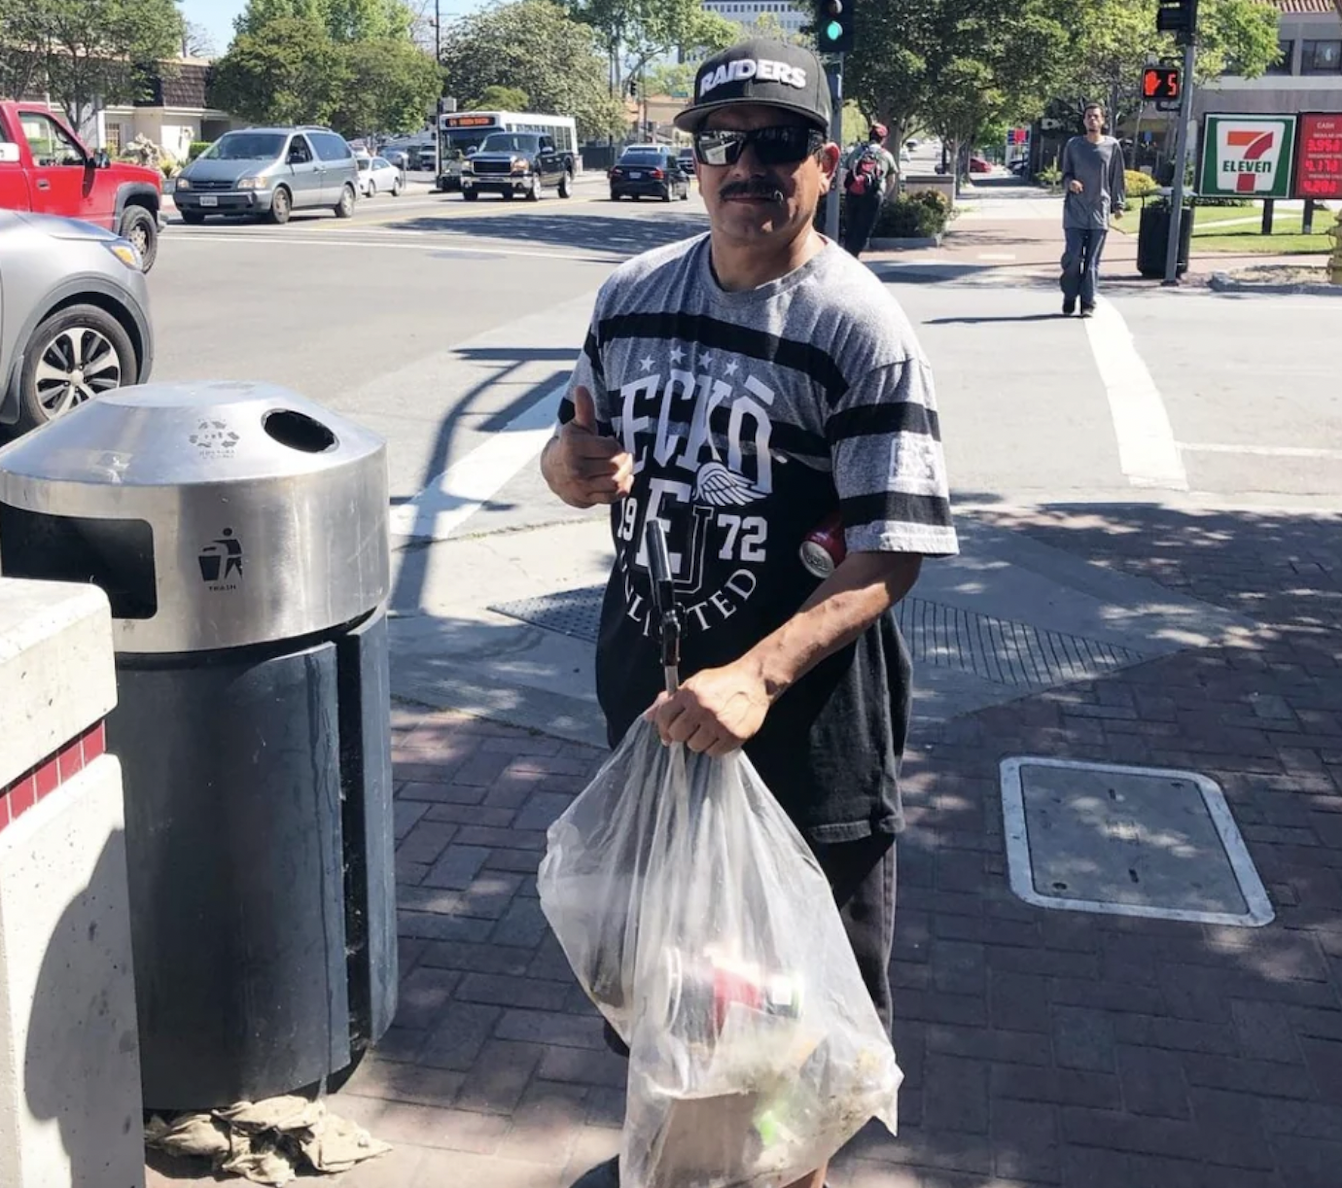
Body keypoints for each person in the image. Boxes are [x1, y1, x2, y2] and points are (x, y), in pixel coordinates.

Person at [540, 36, 958, 1188]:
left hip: (806, 743)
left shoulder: (856, 326)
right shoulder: (629, 301)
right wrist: (565, 465)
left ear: (824, 163)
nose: (748, 168)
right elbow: (574, 445)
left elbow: (893, 548)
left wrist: (758, 676)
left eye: (777, 144)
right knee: (669, 1005)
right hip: (654, 722)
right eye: (723, 142)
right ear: (695, 162)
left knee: (790, 1045)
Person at [1059, 101, 1126, 317]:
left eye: (1096, 116)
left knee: (1091, 262)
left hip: (1099, 211)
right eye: (1089, 116)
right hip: (1075, 212)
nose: (1092, 119)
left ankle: (1087, 302)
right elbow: (1065, 174)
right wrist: (1070, 183)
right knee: (1073, 258)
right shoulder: (1074, 145)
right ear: (1084, 120)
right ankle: (1070, 295)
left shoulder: (1112, 146)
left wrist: (1118, 204)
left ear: (1103, 120)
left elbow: (1117, 177)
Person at [841, 123, 899, 258]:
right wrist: (884, 196)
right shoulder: (886, 155)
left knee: (851, 226)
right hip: (873, 195)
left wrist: (845, 191)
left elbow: (844, 172)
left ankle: (848, 255)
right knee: (863, 228)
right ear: (883, 139)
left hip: (853, 193)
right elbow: (892, 180)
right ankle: (853, 256)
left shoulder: (857, 151)